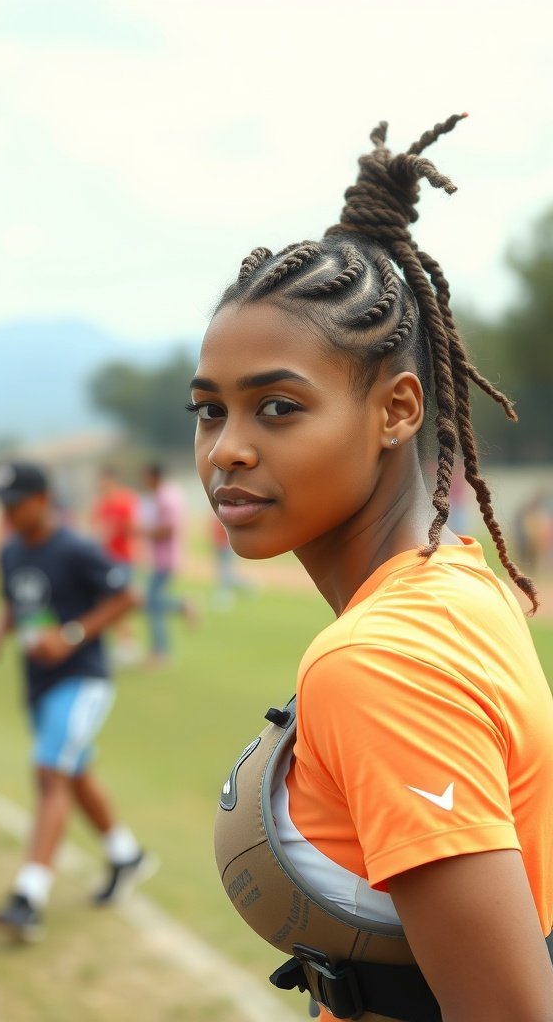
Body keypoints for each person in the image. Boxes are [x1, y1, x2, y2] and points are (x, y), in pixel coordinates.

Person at [190, 115, 553, 1021]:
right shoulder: (457, 578)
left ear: (397, 411)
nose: (227, 450)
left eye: (276, 406)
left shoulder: (377, 663)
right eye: (208, 412)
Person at [0, 462, 155, 942]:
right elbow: (18, 601)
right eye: (5, 505)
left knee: (49, 772)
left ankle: (27, 898)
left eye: (16, 503)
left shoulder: (76, 548)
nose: (10, 513)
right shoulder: (12, 551)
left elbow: (126, 596)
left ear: (42, 499)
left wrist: (73, 635)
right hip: (37, 682)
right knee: (73, 772)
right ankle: (126, 855)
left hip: (81, 679)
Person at [137, 463, 195, 666]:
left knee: (151, 604)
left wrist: (142, 531)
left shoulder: (164, 497)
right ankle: (182, 606)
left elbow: (167, 530)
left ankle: (161, 652)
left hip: (165, 559)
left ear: (153, 477)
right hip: (165, 558)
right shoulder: (170, 493)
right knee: (152, 602)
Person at [91, 465, 141, 665]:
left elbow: (132, 527)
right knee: (107, 603)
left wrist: (113, 530)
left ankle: (128, 645)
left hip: (122, 558)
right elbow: (94, 526)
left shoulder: (124, 501)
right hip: (106, 559)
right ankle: (125, 644)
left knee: (117, 602)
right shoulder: (102, 504)